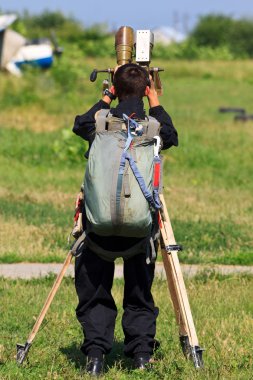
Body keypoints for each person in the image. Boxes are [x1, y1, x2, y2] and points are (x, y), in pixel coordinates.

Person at [72, 63, 178, 376]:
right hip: (140, 232)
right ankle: (142, 356)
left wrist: (107, 96)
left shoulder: (99, 124)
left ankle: (95, 357)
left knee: (94, 290)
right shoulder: (154, 128)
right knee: (139, 293)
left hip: (98, 231)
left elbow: (79, 124)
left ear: (115, 90)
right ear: (147, 90)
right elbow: (172, 134)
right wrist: (155, 100)